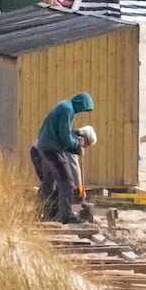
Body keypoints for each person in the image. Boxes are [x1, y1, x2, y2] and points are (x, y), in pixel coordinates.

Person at [32, 93, 94, 224]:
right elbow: (65, 136)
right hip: (52, 149)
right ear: (81, 103)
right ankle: (66, 216)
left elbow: (62, 136)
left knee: (49, 183)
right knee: (66, 180)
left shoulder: (64, 106)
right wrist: (78, 144)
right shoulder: (67, 110)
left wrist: (74, 147)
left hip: (44, 147)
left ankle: (40, 213)